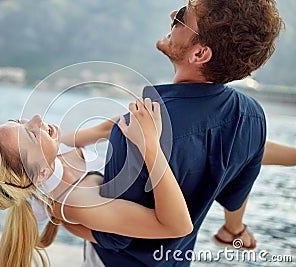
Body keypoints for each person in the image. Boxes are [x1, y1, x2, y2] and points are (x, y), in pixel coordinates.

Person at [63, 0, 284, 266]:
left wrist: (59, 212)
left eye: (181, 16)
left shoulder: (138, 134)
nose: (171, 15)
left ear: (200, 54)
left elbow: (113, 236)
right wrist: (234, 230)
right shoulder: (251, 117)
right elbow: (238, 191)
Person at [0, 98, 193, 267]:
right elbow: (177, 226)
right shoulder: (72, 202)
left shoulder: (55, 145)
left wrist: (163, 108)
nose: (37, 119)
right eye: (31, 134)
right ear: (40, 174)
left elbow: (105, 129)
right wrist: (150, 146)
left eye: (20, 122)